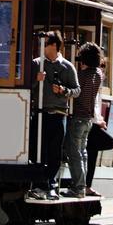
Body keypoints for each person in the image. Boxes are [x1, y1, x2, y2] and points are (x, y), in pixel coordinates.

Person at [30, 30, 80, 200]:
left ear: (53, 46)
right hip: (40, 113)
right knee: (38, 150)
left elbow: (76, 90)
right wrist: (36, 80)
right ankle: (38, 185)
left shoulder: (66, 66)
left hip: (59, 115)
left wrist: (63, 90)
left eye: (46, 44)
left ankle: (51, 186)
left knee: (54, 152)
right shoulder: (36, 64)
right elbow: (26, 88)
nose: (42, 47)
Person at [62, 42, 103, 198]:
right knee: (83, 152)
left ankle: (77, 187)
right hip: (88, 119)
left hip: (78, 117)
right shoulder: (98, 74)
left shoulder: (83, 75)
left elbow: (76, 92)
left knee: (74, 152)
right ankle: (83, 185)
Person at [85, 50, 113, 195]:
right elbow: (90, 103)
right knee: (107, 143)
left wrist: (100, 120)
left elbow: (95, 105)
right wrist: (98, 121)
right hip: (88, 122)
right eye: (101, 67)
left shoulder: (95, 81)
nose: (102, 71)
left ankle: (86, 184)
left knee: (92, 151)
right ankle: (84, 184)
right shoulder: (91, 80)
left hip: (93, 122)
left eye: (103, 68)